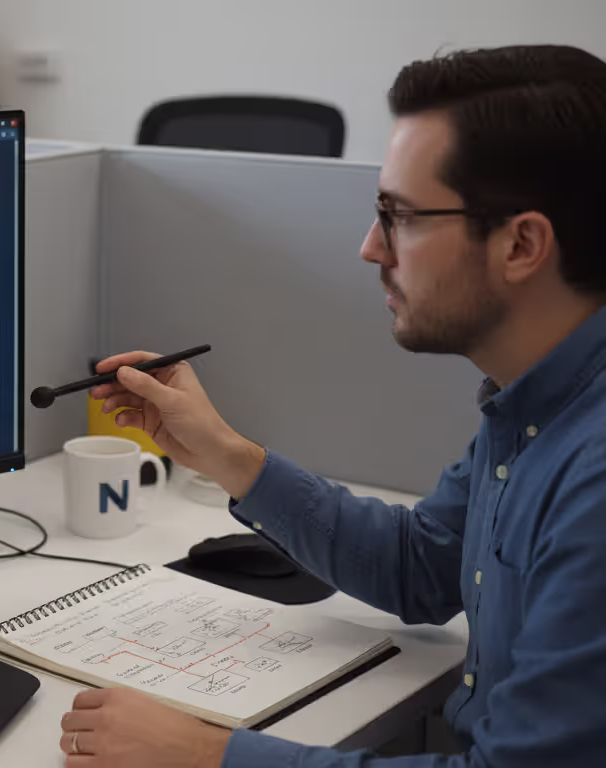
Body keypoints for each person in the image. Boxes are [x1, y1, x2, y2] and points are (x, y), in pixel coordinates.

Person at [60, 45, 606, 768]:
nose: (369, 247)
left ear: (522, 244)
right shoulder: (534, 405)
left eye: (399, 215)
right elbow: (422, 566)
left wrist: (207, 755)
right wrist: (227, 455)